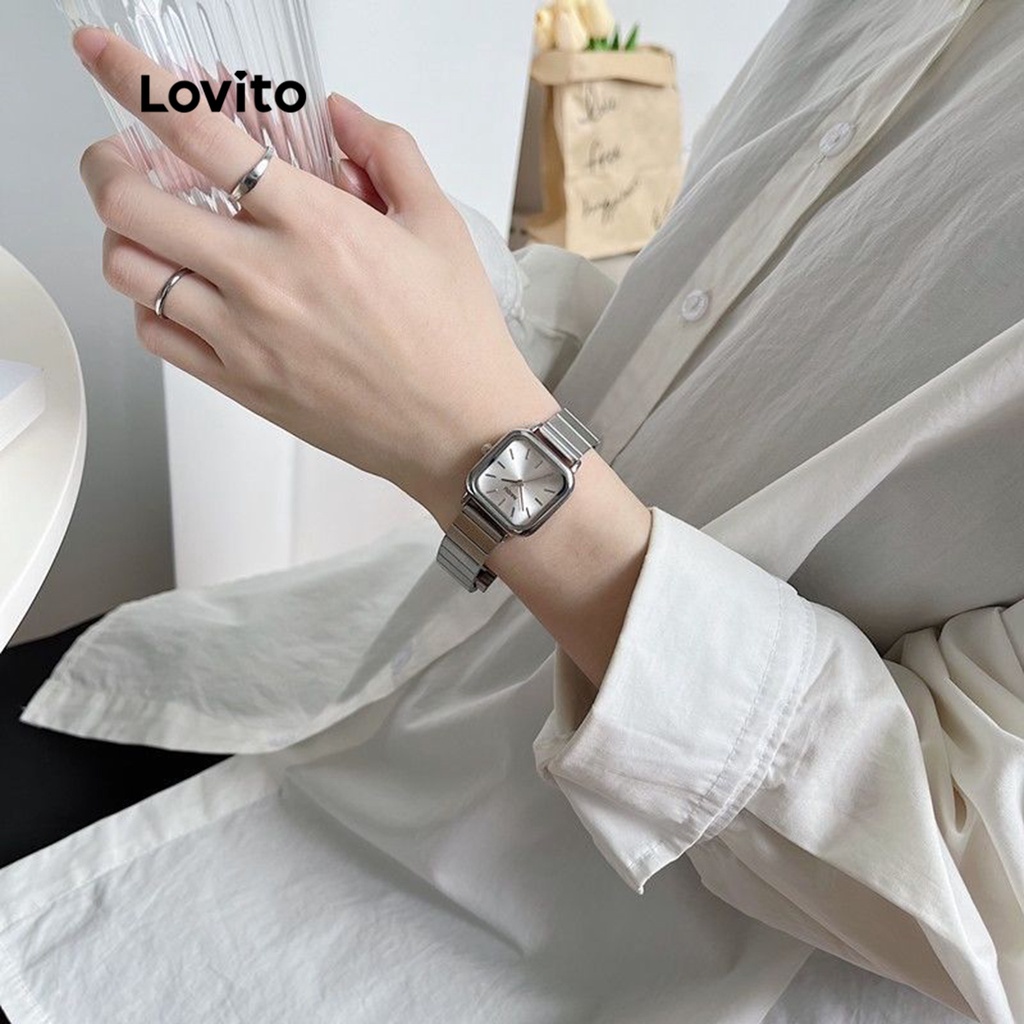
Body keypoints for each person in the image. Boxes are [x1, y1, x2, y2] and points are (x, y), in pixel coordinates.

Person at [0, 2, 1021, 1022]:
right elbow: (696, 351)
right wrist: (405, 290)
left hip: (595, 934)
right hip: (358, 666)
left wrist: (469, 438)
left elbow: (971, 877)